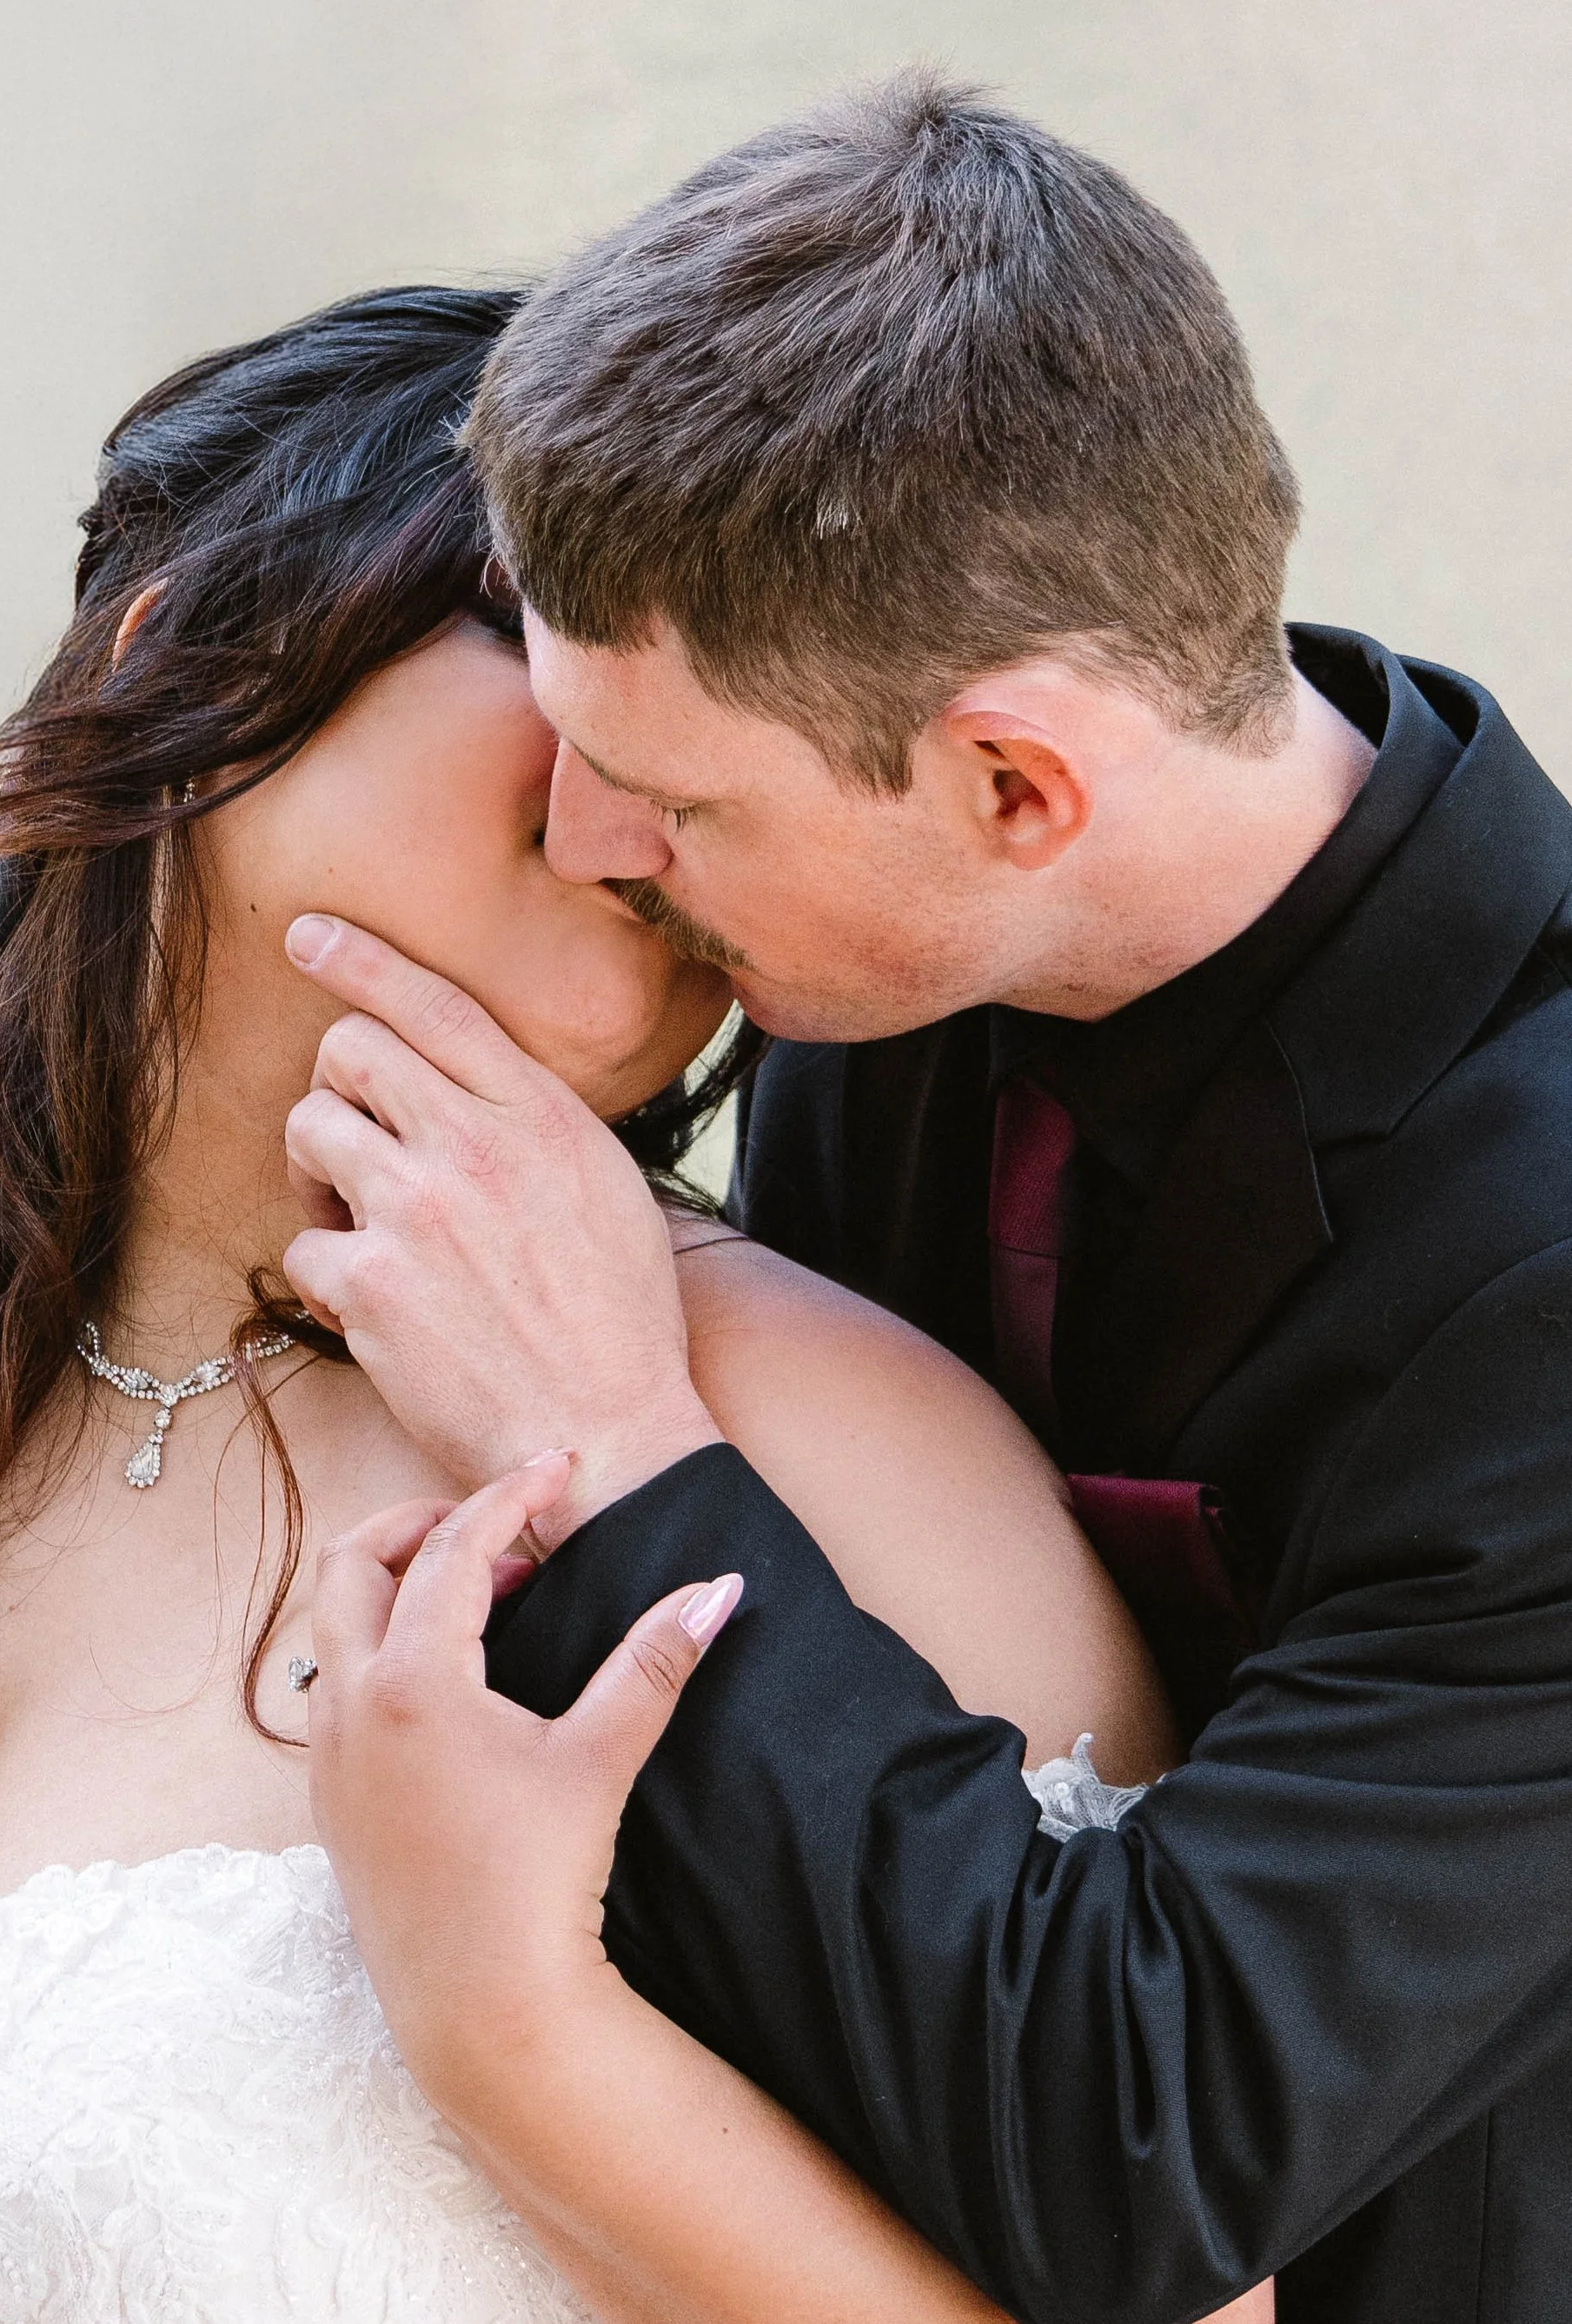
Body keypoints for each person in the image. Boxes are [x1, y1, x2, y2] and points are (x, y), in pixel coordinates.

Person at [282, 74, 1572, 2324]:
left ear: (1013, 782)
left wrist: (619, 1462)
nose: (584, 842)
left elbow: (1146, 2143)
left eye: (668, 795)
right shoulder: (884, 962)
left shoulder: (1540, 1267)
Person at [0, 288, 1269, 2322]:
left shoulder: (789, 1436)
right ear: (187, 631)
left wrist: (510, 2021)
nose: (640, 736)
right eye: (554, 617)